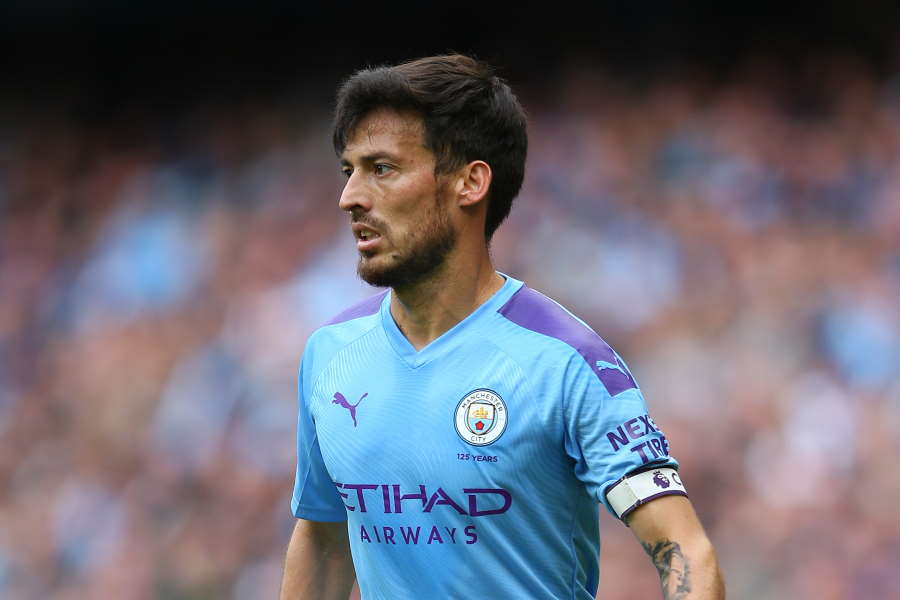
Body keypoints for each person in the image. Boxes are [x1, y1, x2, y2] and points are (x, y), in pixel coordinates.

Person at [280, 54, 725, 600]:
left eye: (382, 168)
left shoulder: (566, 363)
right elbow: (324, 538)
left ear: (470, 182)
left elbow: (685, 551)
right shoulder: (331, 353)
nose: (350, 197)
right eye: (349, 171)